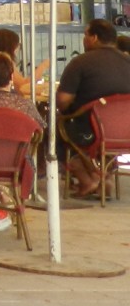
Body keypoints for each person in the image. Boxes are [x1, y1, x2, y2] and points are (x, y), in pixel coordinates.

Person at [55, 19, 130, 197]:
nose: (84, 39)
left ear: (94, 38)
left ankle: (88, 179)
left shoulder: (80, 62)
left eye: (85, 35)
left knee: (59, 124)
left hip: (89, 129)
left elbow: (63, 101)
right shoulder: (128, 61)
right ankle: (108, 176)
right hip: (126, 132)